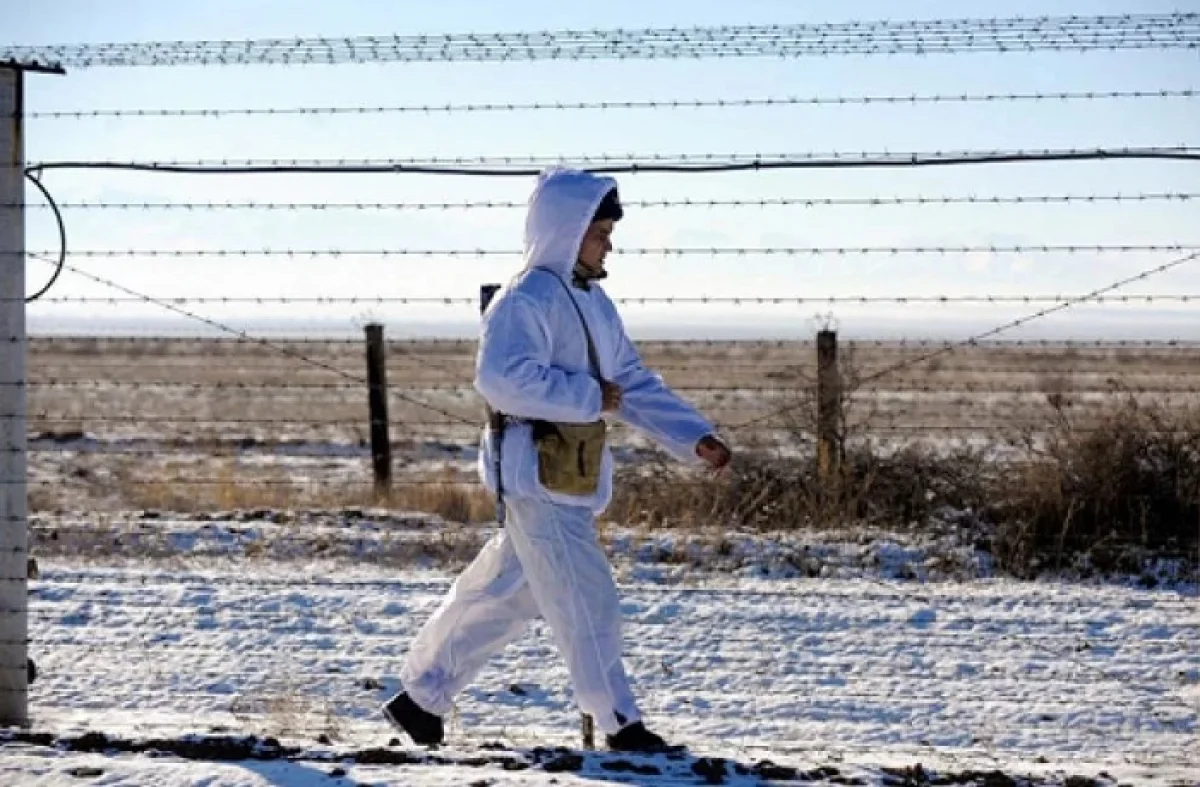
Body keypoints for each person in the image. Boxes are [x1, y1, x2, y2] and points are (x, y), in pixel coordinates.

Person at [383, 167, 732, 753]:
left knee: (509, 595)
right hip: (535, 474)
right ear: (568, 231)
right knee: (586, 598)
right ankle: (621, 725)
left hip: (565, 477)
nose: (608, 244)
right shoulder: (525, 299)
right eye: (599, 232)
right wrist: (589, 396)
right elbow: (500, 380)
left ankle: (420, 698)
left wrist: (693, 437)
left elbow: (633, 383)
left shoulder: (593, 303)